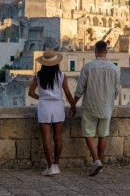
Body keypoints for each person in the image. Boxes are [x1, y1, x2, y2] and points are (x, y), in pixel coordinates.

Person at [74, 40, 120, 176]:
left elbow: (79, 89)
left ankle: (96, 161)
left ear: (95, 51)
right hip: (106, 106)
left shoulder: (88, 67)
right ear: (106, 52)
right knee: (103, 134)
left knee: (88, 133)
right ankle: (99, 163)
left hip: (90, 105)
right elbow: (117, 91)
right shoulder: (114, 68)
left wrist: (73, 104)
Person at [28, 50, 76, 176]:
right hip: (58, 106)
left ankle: (49, 167)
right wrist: (73, 106)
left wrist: (42, 97)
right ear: (56, 63)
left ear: (43, 63)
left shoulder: (38, 75)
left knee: (47, 138)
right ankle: (56, 164)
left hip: (44, 106)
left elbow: (31, 92)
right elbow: (67, 93)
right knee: (58, 138)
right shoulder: (61, 75)